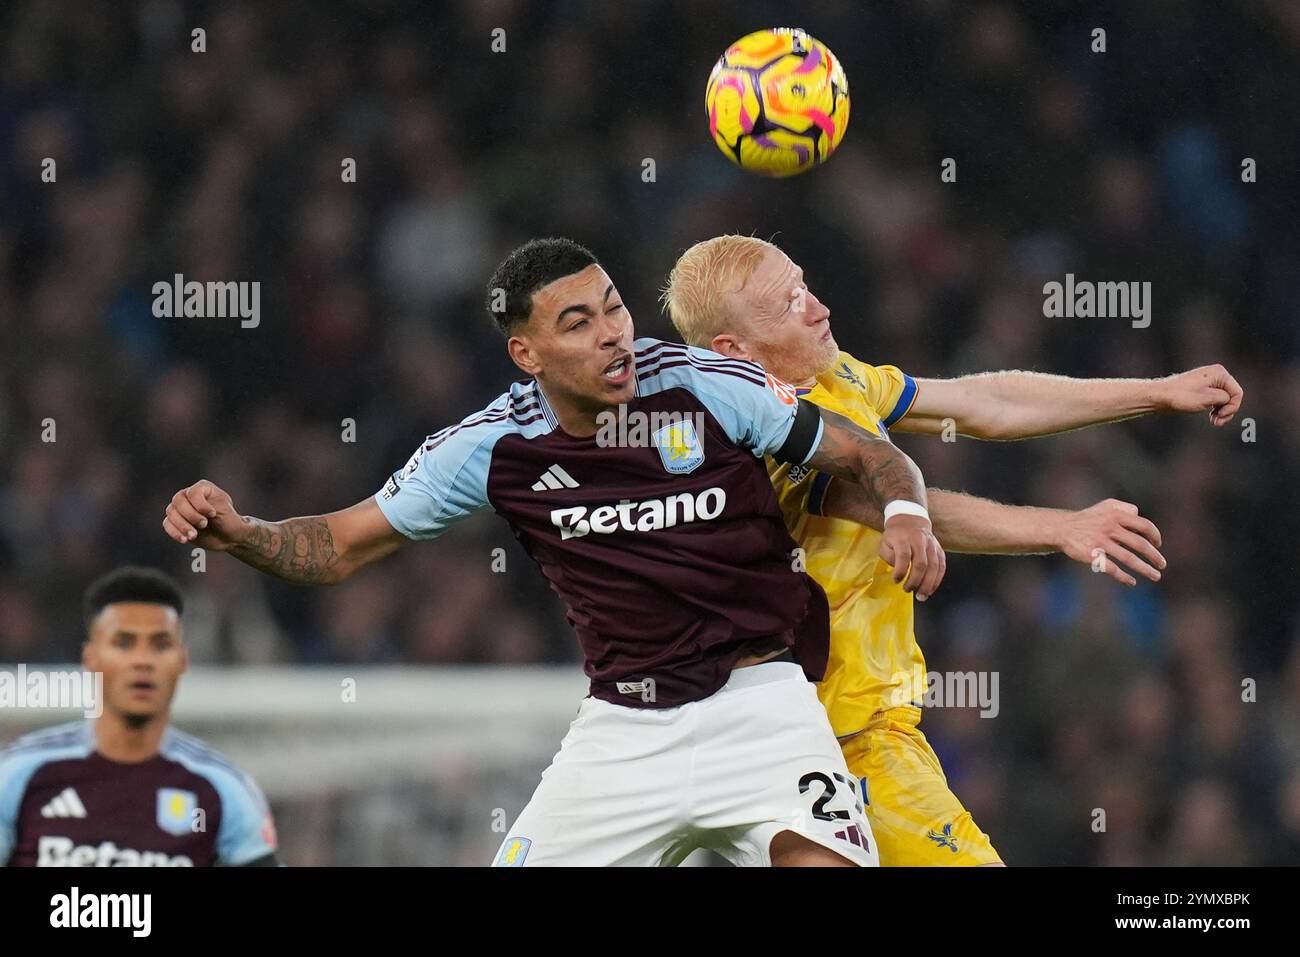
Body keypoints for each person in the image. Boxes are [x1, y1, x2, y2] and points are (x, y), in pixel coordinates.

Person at [160, 237, 950, 867]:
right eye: (578, 323)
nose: (613, 334)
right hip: (625, 731)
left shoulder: (707, 386)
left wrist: (908, 511)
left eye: (614, 308)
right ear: (526, 355)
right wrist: (241, 532)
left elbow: (867, 455)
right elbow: (337, 546)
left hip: (764, 708)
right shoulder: (494, 445)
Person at [662, 234, 1244, 865]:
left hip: (825, 730)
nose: (819, 307)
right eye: (788, 303)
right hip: (833, 737)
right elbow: (885, 504)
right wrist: (1060, 527)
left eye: (804, 284)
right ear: (733, 350)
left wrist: (1155, 393)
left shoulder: (834, 375)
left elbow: (984, 400)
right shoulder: (746, 440)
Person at [0, 566, 279, 867]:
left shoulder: (222, 788)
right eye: (124, 643)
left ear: (182, 660)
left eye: (160, 645)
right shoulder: (20, 773)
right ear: (90, 658)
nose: (142, 661)